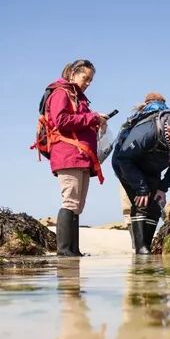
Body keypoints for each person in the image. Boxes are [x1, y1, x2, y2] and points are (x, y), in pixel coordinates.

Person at [43, 60, 109, 257]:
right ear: (73, 74)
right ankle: (63, 250)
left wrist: (97, 122)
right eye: (85, 78)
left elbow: (79, 122)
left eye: (91, 80)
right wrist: (92, 117)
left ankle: (74, 250)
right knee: (70, 202)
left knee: (78, 206)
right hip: (68, 154)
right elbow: (60, 120)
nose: (88, 83)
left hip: (82, 157)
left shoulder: (79, 98)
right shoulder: (61, 92)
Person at [112, 97, 170, 254]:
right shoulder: (147, 132)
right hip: (127, 165)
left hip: (153, 168)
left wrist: (163, 188)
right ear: (168, 130)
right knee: (142, 202)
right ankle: (140, 249)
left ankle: (146, 247)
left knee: (155, 204)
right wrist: (141, 187)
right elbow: (124, 159)